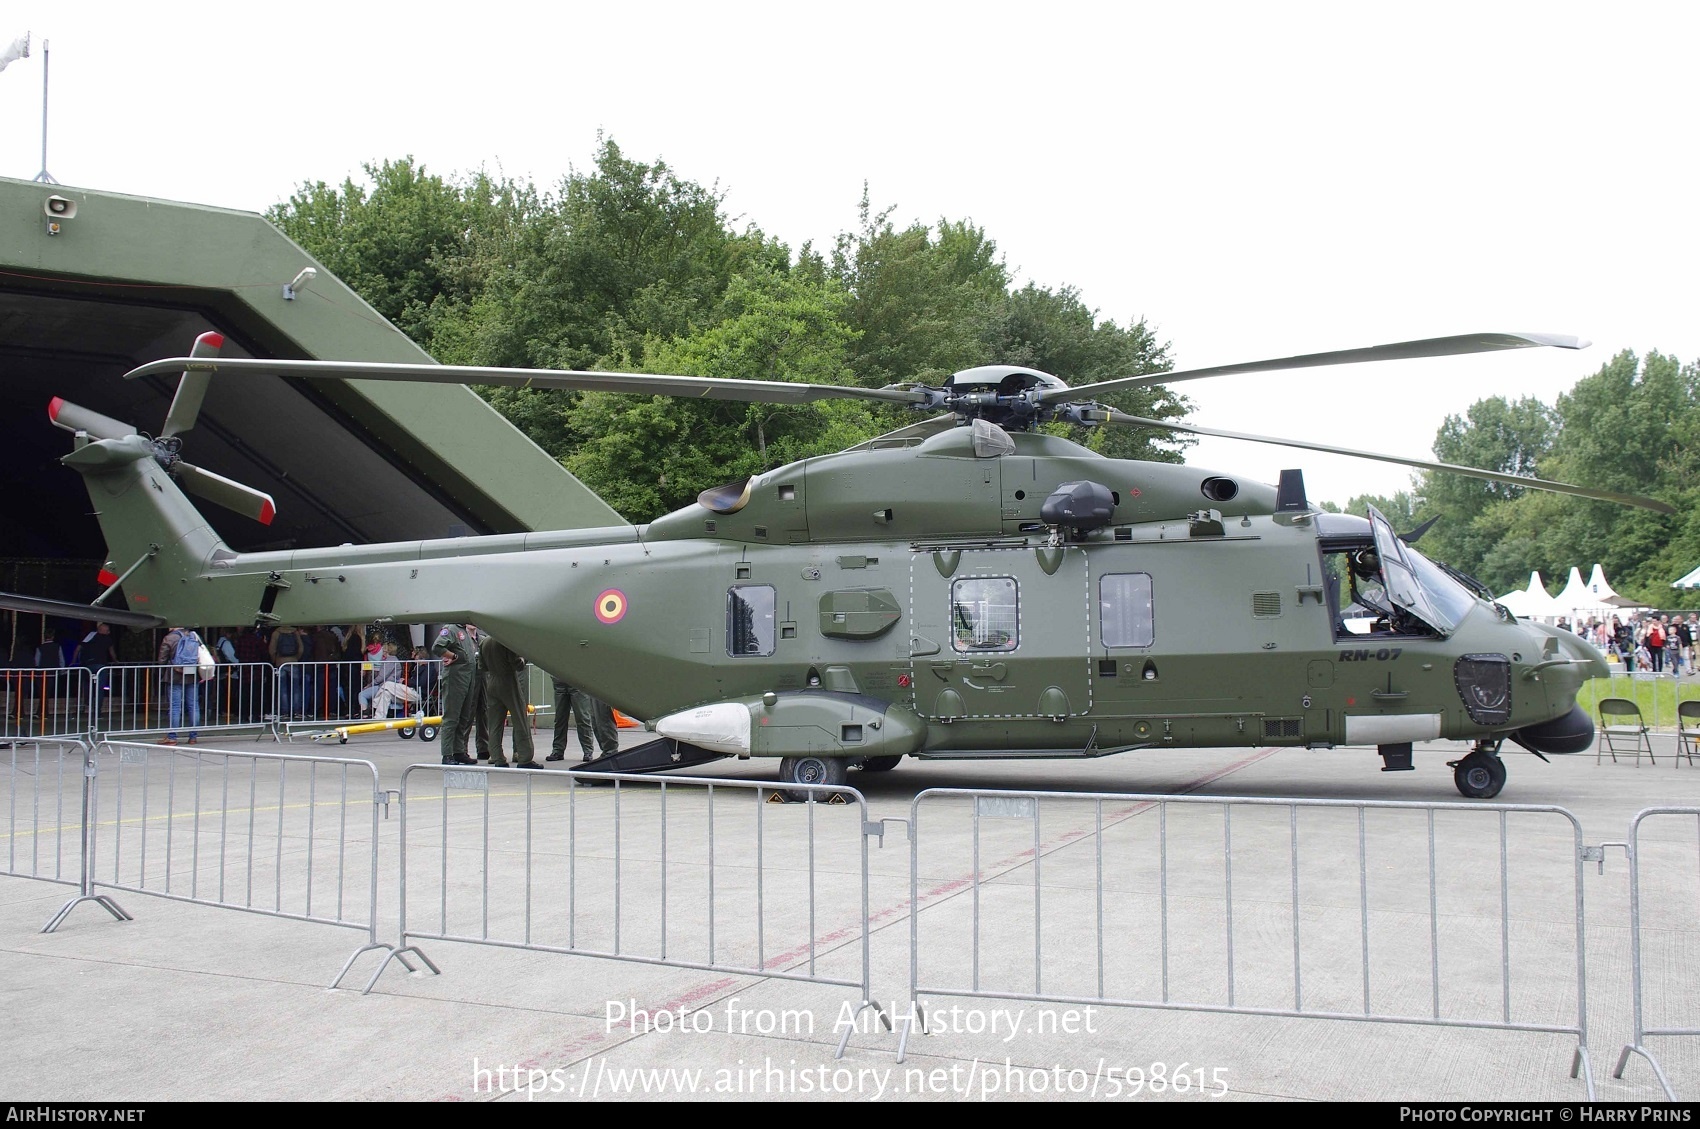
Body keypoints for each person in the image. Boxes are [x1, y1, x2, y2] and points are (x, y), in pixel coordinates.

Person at [479, 634, 541, 768]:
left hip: (492, 680)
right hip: (507, 680)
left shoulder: (484, 642)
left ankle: (497, 757)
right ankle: (525, 757)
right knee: (520, 718)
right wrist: (524, 658)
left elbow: (482, 666)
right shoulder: (505, 640)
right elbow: (517, 665)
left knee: (495, 722)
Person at [430, 623, 479, 765]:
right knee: (452, 717)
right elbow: (437, 647)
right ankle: (447, 754)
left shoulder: (464, 631)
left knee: (464, 716)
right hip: (455, 677)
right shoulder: (451, 629)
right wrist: (453, 656)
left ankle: (459, 751)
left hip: (468, 677)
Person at [546, 677, 619, 762]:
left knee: (583, 718)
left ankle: (587, 751)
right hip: (560, 682)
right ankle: (558, 750)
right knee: (560, 719)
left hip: (576, 684)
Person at [156, 624, 202, 745]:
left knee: (175, 707)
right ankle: (193, 737)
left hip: (174, 676)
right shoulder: (193, 636)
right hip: (192, 674)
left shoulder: (169, 638)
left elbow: (161, 659)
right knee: (193, 706)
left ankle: (172, 737)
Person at [359, 640, 420, 720]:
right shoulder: (392, 660)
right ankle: (375, 715)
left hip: (386, 685)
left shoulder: (390, 661)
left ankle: (365, 713)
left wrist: (369, 685)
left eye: (383, 649)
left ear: (386, 650)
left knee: (362, 694)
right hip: (387, 686)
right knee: (384, 693)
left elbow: (382, 676)